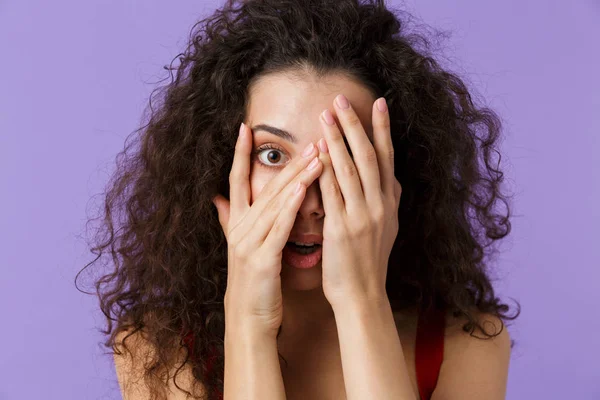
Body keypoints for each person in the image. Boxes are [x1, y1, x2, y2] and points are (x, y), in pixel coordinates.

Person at [77, 0, 521, 399]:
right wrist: (248, 321)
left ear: (395, 177)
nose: (308, 201)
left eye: (347, 157)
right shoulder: (155, 350)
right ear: (218, 164)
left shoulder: (466, 343)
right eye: (272, 155)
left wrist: (362, 302)